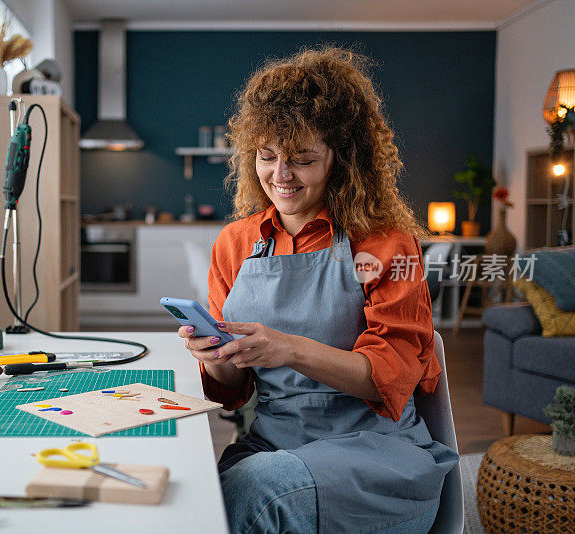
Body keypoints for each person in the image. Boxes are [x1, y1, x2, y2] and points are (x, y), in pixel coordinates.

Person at [178, 47, 458, 534]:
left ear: (341, 160)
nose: (281, 176)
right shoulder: (235, 243)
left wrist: (286, 348)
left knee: (253, 491)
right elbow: (232, 390)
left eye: (303, 160)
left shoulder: (387, 244)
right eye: (267, 157)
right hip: (273, 443)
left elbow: (385, 379)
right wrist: (214, 355)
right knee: (196, 491)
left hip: (376, 457)